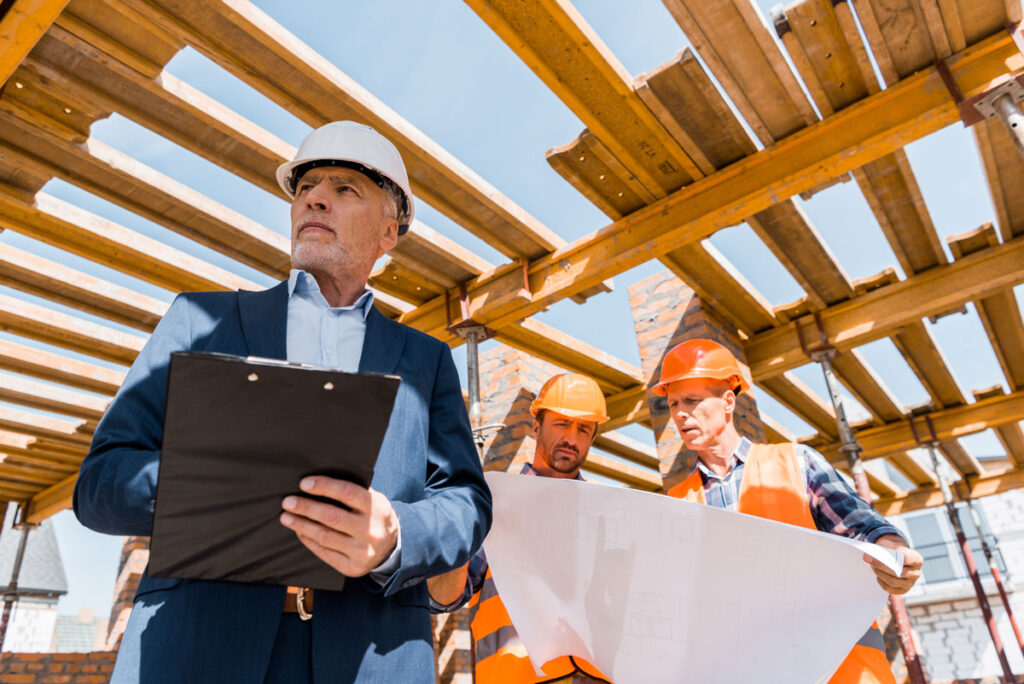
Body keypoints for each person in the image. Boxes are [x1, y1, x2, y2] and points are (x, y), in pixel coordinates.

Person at [73, 121, 492, 684]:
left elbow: (466, 502)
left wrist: (395, 536)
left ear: (389, 233)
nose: (315, 197)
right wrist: (218, 488)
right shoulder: (199, 321)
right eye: (306, 187)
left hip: (371, 656)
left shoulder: (427, 361)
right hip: (200, 652)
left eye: (346, 189)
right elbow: (101, 482)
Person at [654, 338, 923, 684]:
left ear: (727, 402)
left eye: (691, 400)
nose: (678, 413)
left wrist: (892, 550)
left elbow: (861, 524)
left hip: (839, 670)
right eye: (673, 403)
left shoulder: (795, 462)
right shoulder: (676, 500)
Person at [429, 373, 614, 683]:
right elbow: (446, 597)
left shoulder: (605, 515)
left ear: (592, 438)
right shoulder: (495, 504)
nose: (571, 437)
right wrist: (457, 526)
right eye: (561, 424)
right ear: (536, 427)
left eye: (583, 429)